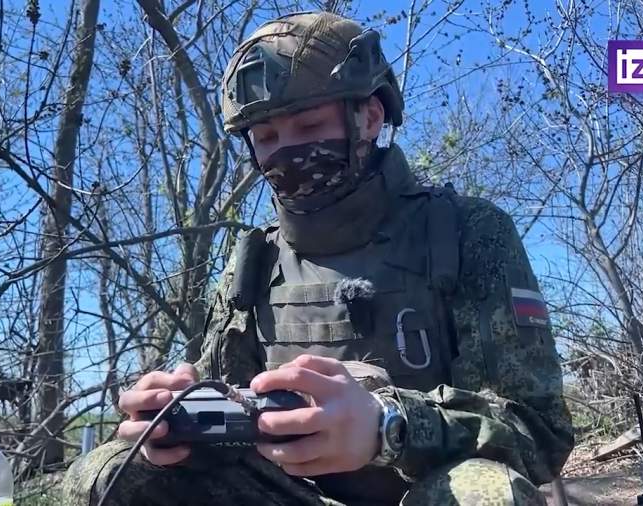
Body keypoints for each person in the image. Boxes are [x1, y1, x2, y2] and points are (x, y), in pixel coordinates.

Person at [62, 11, 574, 506]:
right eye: (266, 137)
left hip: (421, 494)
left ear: (369, 116)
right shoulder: (256, 259)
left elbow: (537, 430)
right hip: (286, 493)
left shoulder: (464, 232)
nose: (285, 152)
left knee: (486, 494)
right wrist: (174, 416)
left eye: (308, 126)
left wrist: (389, 427)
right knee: (104, 473)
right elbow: (225, 399)